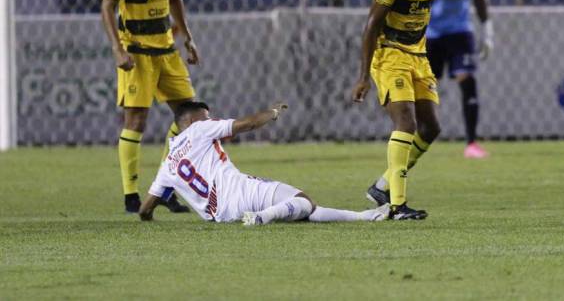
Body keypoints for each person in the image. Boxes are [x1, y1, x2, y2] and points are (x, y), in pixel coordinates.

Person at [101, 0, 200, 214]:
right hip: (137, 52)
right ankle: (131, 195)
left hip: (167, 49)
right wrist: (118, 48)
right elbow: (107, 7)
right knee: (137, 120)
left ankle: (166, 188)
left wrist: (188, 37)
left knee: (190, 117)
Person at [351, 0, 452, 220]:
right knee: (405, 124)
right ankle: (396, 206)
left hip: (418, 55)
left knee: (431, 128)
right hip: (389, 54)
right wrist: (363, 76)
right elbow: (371, 26)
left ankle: (382, 186)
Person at [138, 101, 388, 224]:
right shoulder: (200, 129)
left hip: (221, 216)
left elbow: (145, 210)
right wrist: (273, 112)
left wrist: (150, 216)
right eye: (207, 116)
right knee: (304, 201)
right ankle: (262, 217)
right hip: (239, 192)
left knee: (303, 211)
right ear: (192, 122)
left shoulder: (168, 163)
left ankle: (365, 217)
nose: (211, 119)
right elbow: (247, 124)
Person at [426, 0, 493, 159]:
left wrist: (487, 30)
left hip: (460, 31)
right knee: (424, 87)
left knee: (467, 80)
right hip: (431, 32)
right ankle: (419, 136)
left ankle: (472, 143)